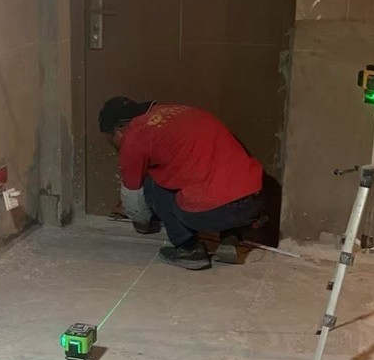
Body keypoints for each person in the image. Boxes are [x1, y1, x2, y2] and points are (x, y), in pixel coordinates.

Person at [98, 97, 265, 270]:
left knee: (152, 181)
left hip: (213, 213)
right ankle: (230, 238)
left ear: (119, 129)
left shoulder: (134, 136)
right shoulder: (179, 112)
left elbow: (135, 203)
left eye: (110, 138)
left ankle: (189, 249)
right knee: (219, 179)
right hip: (254, 202)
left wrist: (141, 223)